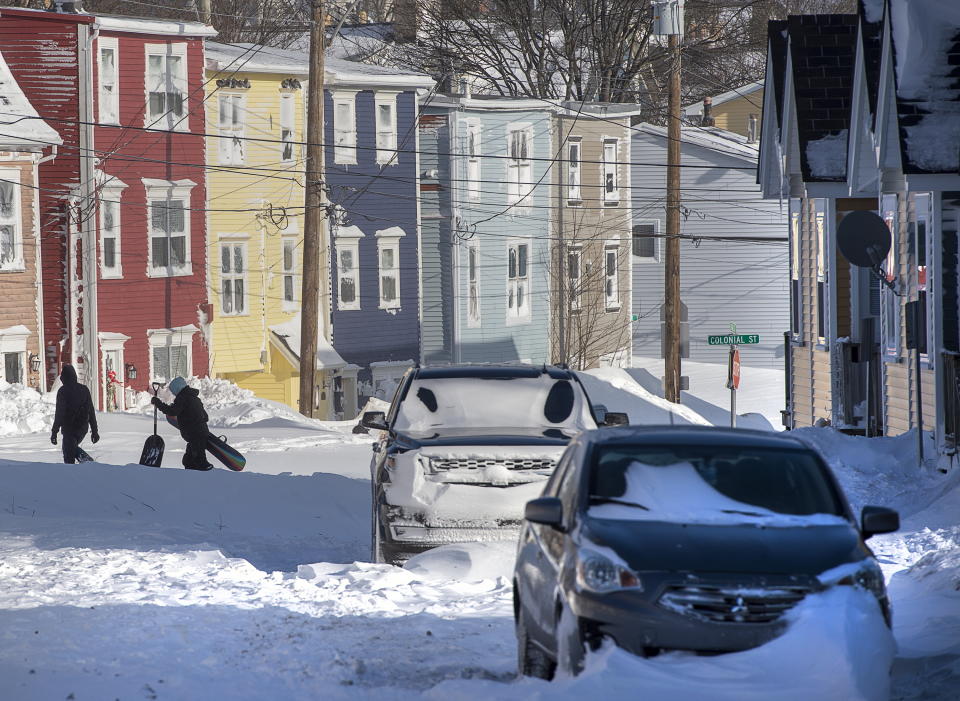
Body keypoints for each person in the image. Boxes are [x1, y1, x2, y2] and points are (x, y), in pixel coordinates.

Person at [151, 377, 213, 471]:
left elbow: (172, 412)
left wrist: (158, 403)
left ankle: (210, 477)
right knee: (188, 461)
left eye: (173, 391)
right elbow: (205, 417)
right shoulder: (194, 398)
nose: (173, 393)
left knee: (200, 461)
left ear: (177, 388)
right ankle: (189, 477)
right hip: (201, 433)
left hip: (194, 434)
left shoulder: (182, 398)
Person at [50, 364, 99, 464]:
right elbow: (91, 411)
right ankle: (88, 464)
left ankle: (88, 464)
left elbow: (60, 413)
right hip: (82, 428)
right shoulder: (84, 389)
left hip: (69, 428)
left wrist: (54, 432)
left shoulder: (63, 391)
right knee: (70, 448)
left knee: (68, 454)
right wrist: (94, 431)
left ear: (64, 378)